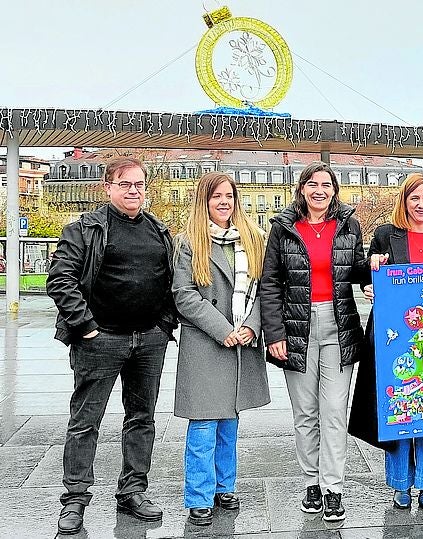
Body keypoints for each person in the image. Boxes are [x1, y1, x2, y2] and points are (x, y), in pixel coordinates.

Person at [46, 157, 177, 535]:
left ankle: (133, 490)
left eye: (139, 184)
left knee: (142, 419)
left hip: (149, 340)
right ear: (108, 187)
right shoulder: (84, 229)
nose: (133, 190)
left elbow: (172, 280)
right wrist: (86, 327)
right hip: (100, 340)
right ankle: (75, 498)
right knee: (85, 422)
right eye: (125, 184)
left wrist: (163, 324)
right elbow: (61, 279)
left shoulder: (159, 230)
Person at [260, 161, 368, 522]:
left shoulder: (348, 224)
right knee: (305, 414)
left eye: (327, 184)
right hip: (296, 327)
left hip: (339, 327)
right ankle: (311, 483)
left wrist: (374, 268)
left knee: (334, 412)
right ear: (302, 189)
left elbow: (356, 270)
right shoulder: (283, 228)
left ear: (335, 190)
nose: (320, 190)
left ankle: (333, 489)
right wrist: (274, 334)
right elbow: (270, 283)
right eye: (313, 184)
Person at [348, 173, 423, 510]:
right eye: (414, 198)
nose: (421, 205)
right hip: (394, 337)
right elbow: (367, 278)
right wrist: (371, 275)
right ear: (405, 202)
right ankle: (400, 483)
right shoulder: (385, 234)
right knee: (398, 408)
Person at [172, 172, 270, 526]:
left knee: (229, 422)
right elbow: (184, 294)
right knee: (202, 425)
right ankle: (198, 495)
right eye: (217, 197)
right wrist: (222, 329)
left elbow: (263, 289)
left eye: (229, 195)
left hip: (241, 342)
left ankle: (223, 487)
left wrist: (250, 327)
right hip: (205, 342)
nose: (224, 202)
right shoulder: (188, 242)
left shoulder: (253, 239)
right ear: (205, 202)